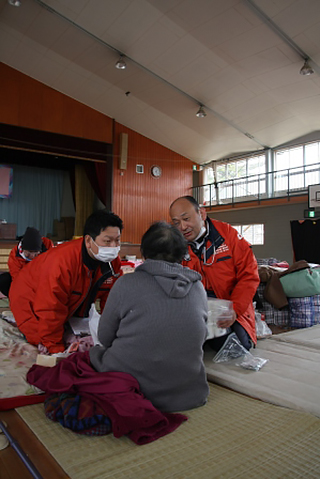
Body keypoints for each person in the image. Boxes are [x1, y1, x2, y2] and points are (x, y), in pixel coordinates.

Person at [90, 221, 209, 413]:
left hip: (135, 386)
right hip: (189, 391)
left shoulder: (126, 283)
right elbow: (200, 335)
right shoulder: (197, 286)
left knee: (90, 357)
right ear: (182, 254)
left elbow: (105, 337)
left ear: (144, 253)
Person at [9, 210, 123, 354]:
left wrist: (115, 335)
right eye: (107, 241)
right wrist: (57, 351)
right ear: (88, 241)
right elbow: (50, 308)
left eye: (117, 240)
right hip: (27, 296)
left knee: (80, 331)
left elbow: (115, 299)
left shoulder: (113, 263)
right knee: (42, 337)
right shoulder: (62, 264)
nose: (113, 247)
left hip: (68, 300)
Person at [169, 196, 260, 351]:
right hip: (195, 309)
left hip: (229, 304)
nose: (183, 227)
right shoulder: (176, 246)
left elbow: (249, 276)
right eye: (176, 223)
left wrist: (235, 309)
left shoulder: (228, 236)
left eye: (186, 219)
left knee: (238, 347)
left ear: (202, 214)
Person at [0, 226, 53, 297]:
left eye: (35, 253)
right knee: (4, 280)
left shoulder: (48, 248)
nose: (32, 256)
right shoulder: (15, 255)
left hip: (43, 280)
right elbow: (17, 278)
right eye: (28, 253)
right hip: (25, 280)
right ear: (23, 249)